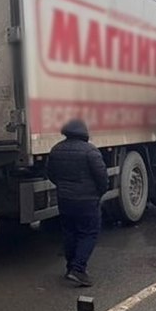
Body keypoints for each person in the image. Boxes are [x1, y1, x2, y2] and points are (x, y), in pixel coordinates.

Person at [47, 119, 108, 287]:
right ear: (84, 132)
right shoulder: (91, 151)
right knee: (88, 233)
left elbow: (51, 173)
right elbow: (101, 177)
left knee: (69, 232)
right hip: (87, 200)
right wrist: (99, 193)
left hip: (65, 199)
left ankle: (70, 267)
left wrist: (63, 188)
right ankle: (78, 269)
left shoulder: (56, 149)